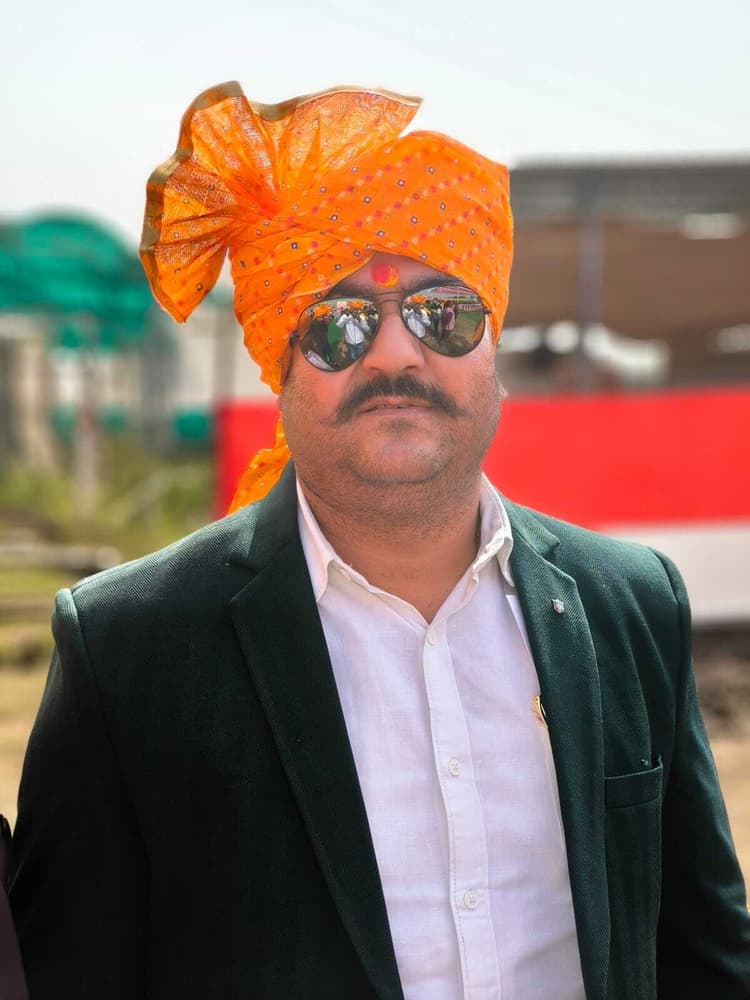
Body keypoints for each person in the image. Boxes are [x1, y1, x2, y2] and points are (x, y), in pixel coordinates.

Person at [8, 82, 750, 1000]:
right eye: (339, 324)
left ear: (494, 352)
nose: (396, 354)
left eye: (445, 314)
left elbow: (706, 958)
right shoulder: (130, 650)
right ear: (280, 367)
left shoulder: (631, 606)